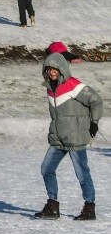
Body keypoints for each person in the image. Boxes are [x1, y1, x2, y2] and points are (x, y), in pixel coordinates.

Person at [34, 52, 103, 221]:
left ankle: (89, 207)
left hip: (75, 138)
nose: (52, 72)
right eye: (49, 69)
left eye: (55, 69)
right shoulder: (50, 89)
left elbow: (96, 100)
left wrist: (94, 122)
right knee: (46, 169)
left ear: (62, 68)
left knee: (82, 174)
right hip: (58, 138)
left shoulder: (74, 85)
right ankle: (52, 205)